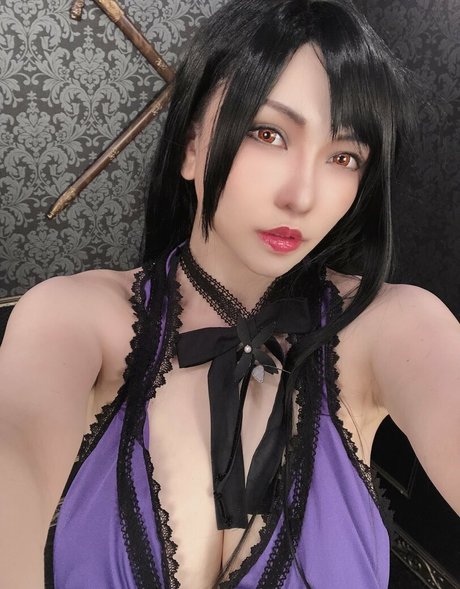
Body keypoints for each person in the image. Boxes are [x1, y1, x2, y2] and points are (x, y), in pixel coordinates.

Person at [0, 0, 458, 587]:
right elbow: (16, 448)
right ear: (191, 148)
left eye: (344, 157)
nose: (302, 195)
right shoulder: (72, 319)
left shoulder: (393, 324)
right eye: (268, 134)